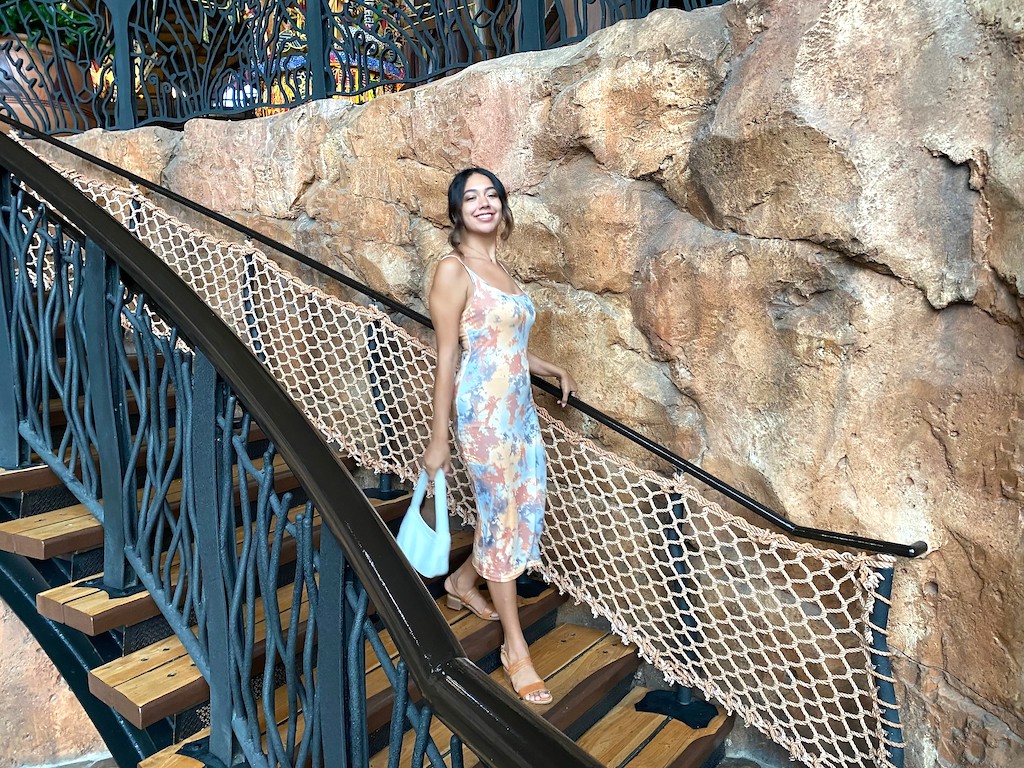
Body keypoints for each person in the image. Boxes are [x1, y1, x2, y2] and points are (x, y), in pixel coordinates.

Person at [422, 167, 578, 705]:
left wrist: (551, 366)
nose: (484, 203)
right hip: (482, 417)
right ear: (457, 212)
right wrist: (438, 439)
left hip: (520, 415)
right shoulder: (453, 270)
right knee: (503, 516)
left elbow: (504, 344)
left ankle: (463, 581)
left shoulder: (501, 269)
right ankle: (516, 648)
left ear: (503, 207)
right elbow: (450, 356)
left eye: (492, 194)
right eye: (472, 197)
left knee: (521, 507)